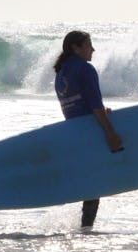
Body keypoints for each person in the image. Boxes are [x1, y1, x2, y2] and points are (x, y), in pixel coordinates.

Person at [53, 30, 124, 231]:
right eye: (88, 44)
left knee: (91, 180)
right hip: (92, 131)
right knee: (95, 182)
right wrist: (110, 132)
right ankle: (86, 229)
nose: (93, 49)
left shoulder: (61, 72)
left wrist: (100, 112)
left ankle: (85, 227)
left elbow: (76, 106)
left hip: (75, 131)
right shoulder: (85, 69)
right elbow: (94, 105)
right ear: (76, 48)